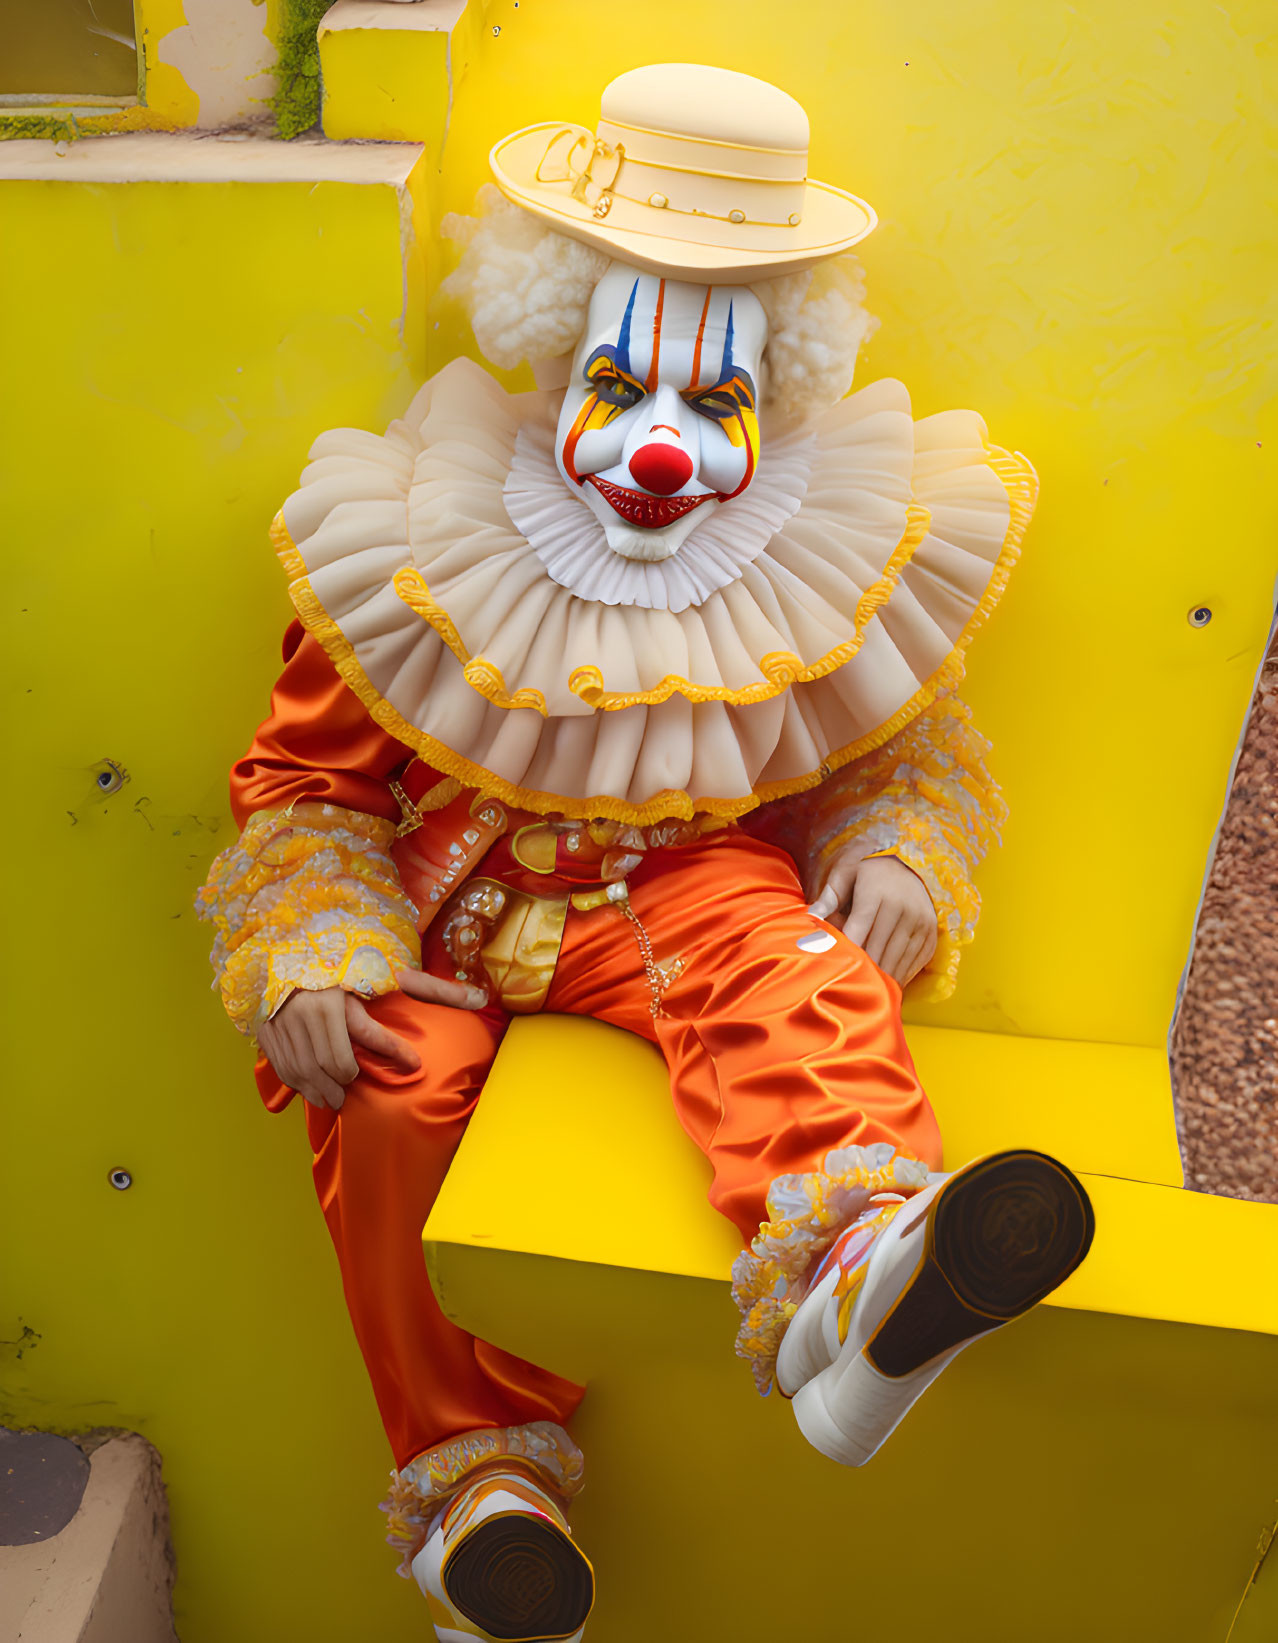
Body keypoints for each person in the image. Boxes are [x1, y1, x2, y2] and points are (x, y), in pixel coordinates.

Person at [198, 63, 1093, 1643]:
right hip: (455, 900)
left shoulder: (831, 546)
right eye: (624, 392)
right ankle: (479, 1487)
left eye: (716, 405)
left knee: (794, 968)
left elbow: (899, 741)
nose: (662, 449)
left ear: (777, 397)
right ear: (554, 368)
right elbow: (306, 782)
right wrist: (312, 935)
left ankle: (864, 1272)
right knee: (393, 1092)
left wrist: (900, 843)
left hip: (682, 890)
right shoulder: (419, 528)